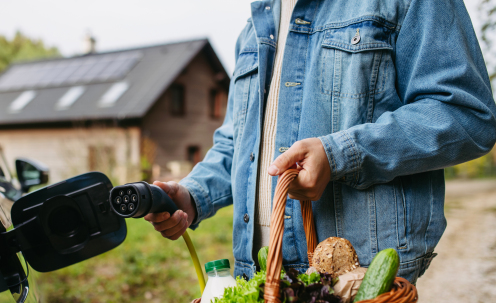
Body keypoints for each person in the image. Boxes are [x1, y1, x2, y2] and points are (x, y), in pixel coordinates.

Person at [145, 0, 496, 284]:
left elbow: (466, 114)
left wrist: (340, 155)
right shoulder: (258, 21)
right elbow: (238, 143)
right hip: (255, 281)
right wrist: (192, 195)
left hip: (353, 282)